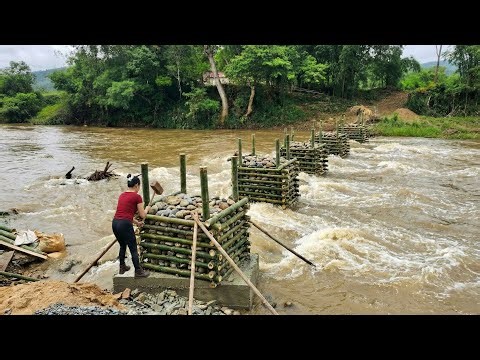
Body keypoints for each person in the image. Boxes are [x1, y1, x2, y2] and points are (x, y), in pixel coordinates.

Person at [112, 174, 150, 277]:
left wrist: (137, 223)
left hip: (115, 223)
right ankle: (138, 271)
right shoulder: (137, 197)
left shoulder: (122, 195)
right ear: (137, 185)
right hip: (124, 224)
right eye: (139, 186)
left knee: (122, 245)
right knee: (133, 248)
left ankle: (122, 267)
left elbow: (125, 213)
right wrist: (147, 208)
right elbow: (142, 215)